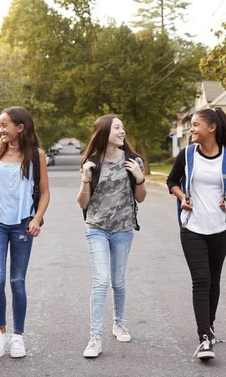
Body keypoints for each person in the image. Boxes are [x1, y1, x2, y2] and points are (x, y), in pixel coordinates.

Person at [166, 107, 226, 360]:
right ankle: (204, 338)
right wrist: (183, 197)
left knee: (214, 280)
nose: (191, 128)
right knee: (201, 281)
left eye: (195, 124)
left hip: (220, 228)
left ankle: (210, 326)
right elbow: (171, 181)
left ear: (211, 128)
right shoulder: (187, 155)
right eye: (191, 124)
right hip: (192, 226)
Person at [0, 106, 50, 360]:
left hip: (22, 225)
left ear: (20, 127)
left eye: (5, 125)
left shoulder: (36, 156)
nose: (1, 129)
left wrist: (37, 219)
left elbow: (45, 193)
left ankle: (18, 336)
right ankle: (0, 332)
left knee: (17, 282)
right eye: (0, 124)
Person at [77, 115, 147, 358]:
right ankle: (95, 337)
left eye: (123, 126)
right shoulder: (91, 162)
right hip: (96, 227)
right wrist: (85, 179)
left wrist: (139, 176)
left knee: (118, 280)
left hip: (123, 228)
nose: (122, 130)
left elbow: (141, 198)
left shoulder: (133, 161)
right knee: (101, 280)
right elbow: (82, 202)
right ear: (104, 132)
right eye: (117, 127)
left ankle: (119, 323)